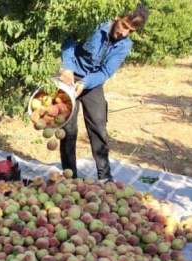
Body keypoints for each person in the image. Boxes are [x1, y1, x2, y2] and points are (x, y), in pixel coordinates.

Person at [59, 5, 149, 181]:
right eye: (124, 25)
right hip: (71, 76)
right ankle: (69, 177)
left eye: (130, 30)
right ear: (117, 17)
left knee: (98, 127)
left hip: (92, 81)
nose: (124, 33)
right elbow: (70, 40)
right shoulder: (94, 23)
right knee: (68, 129)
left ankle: (105, 177)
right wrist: (68, 68)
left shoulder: (124, 45)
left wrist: (85, 83)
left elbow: (106, 71)